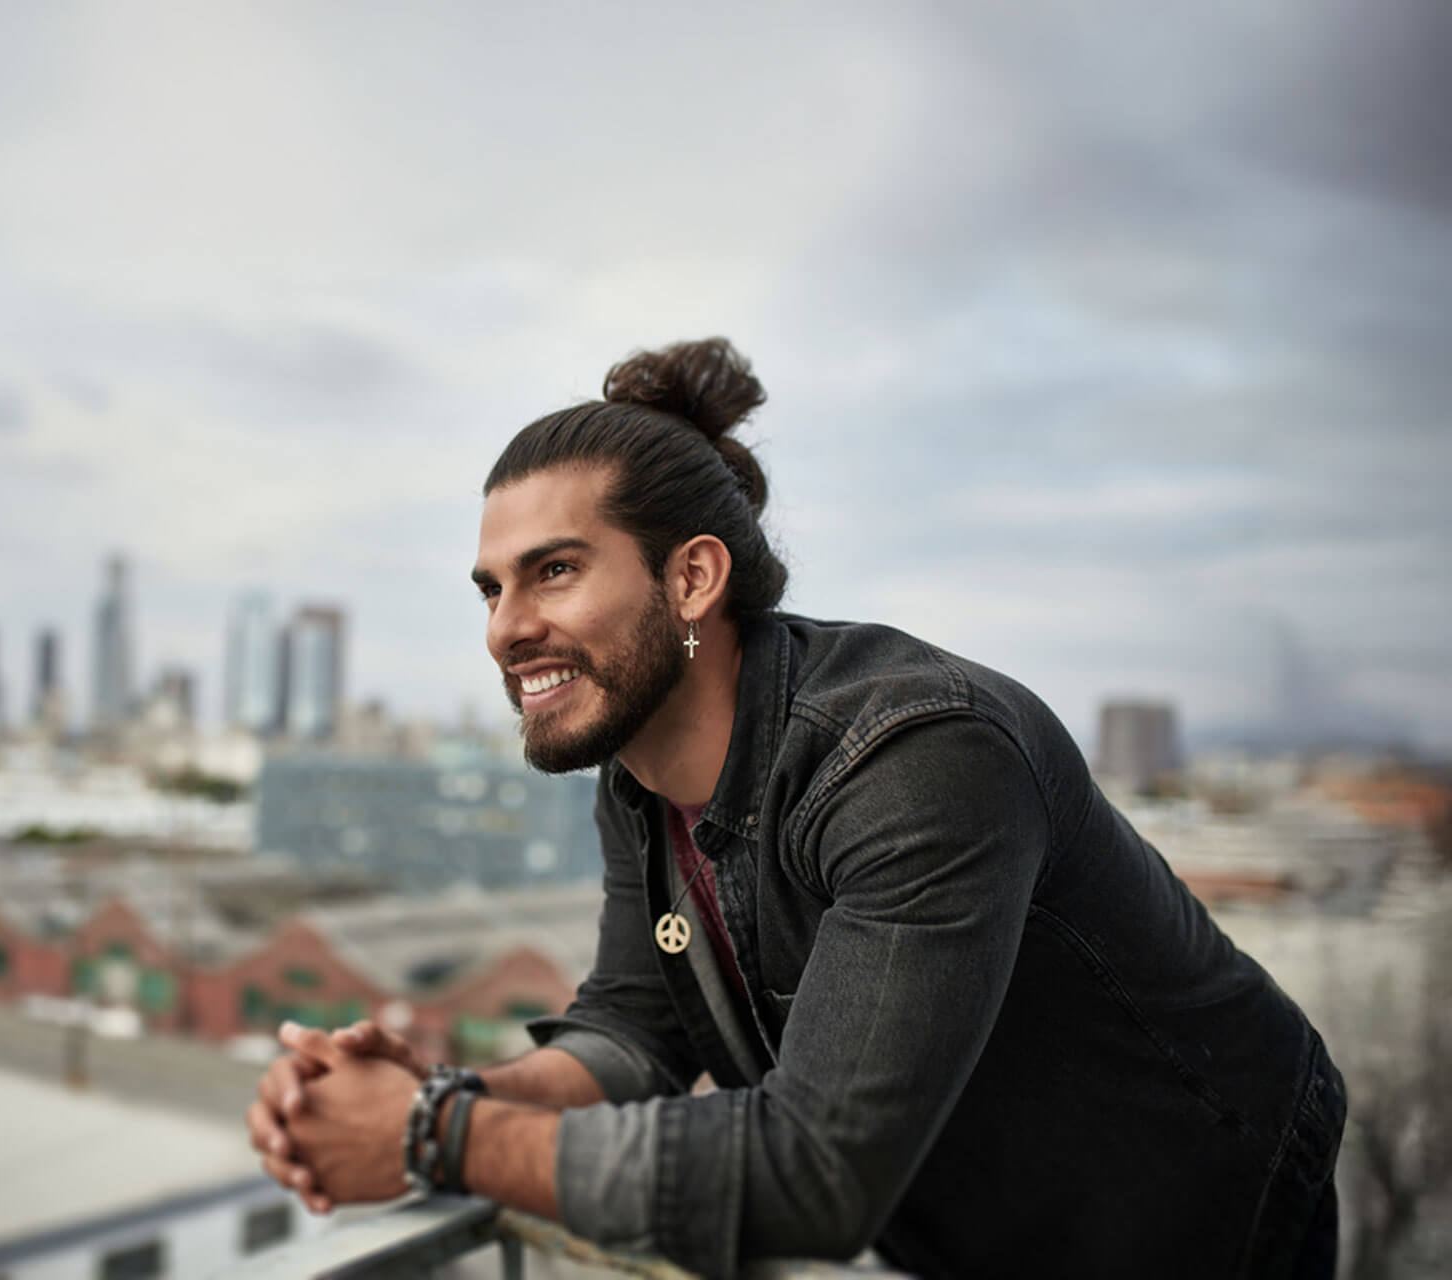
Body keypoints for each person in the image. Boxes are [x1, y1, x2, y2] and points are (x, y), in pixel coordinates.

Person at [244, 338, 1345, 1279]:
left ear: (691, 579)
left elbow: (815, 1169)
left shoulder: (916, 756)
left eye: (555, 571)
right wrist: (426, 1093)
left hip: (1191, 1199)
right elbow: (638, 1031)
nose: (504, 627)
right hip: (959, 1219)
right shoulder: (639, 775)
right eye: (493, 588)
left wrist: (435, 1134)